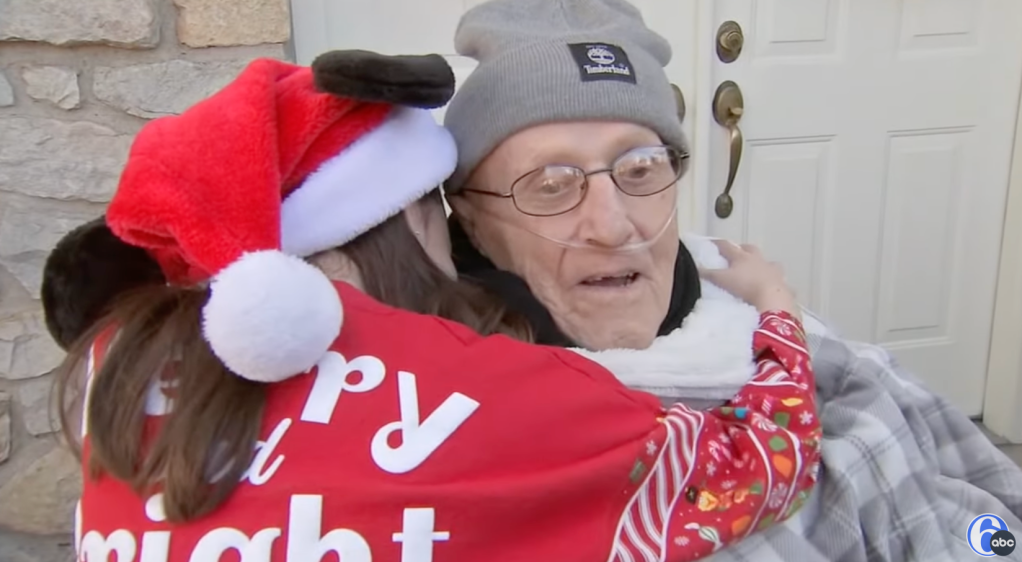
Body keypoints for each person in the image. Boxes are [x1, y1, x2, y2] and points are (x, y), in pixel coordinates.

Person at [43, 50, 821, 561]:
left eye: (642, 168)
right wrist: (776, 310)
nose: (609, 225)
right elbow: (758, 468)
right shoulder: (493, 397)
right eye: (435, 212)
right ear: (400, 221)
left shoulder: (117, 368)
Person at [440, 0, 1022, 560]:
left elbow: (988, 520)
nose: (613, 226)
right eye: (551, 183)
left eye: (640, 168)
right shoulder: (441, 427)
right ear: (471, 219)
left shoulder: (784, 334)